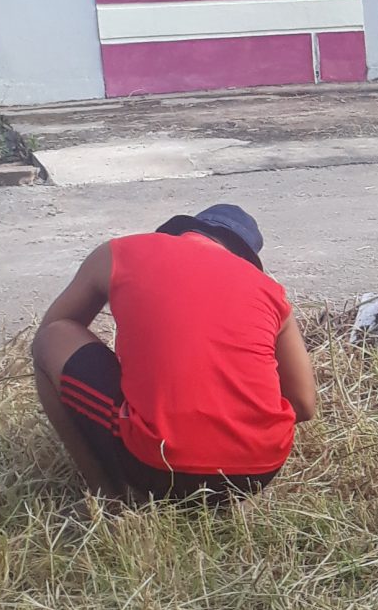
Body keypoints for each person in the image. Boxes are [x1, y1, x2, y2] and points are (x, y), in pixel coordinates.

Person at [30, 202, 316, 504]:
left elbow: (49, 335)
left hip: (155, 463)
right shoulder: (269, 290)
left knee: (52, 338)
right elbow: (304, 405)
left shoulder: (119, 252)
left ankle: (108, 496)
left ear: (179, 232)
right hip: (258, 471)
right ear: (244, 257)